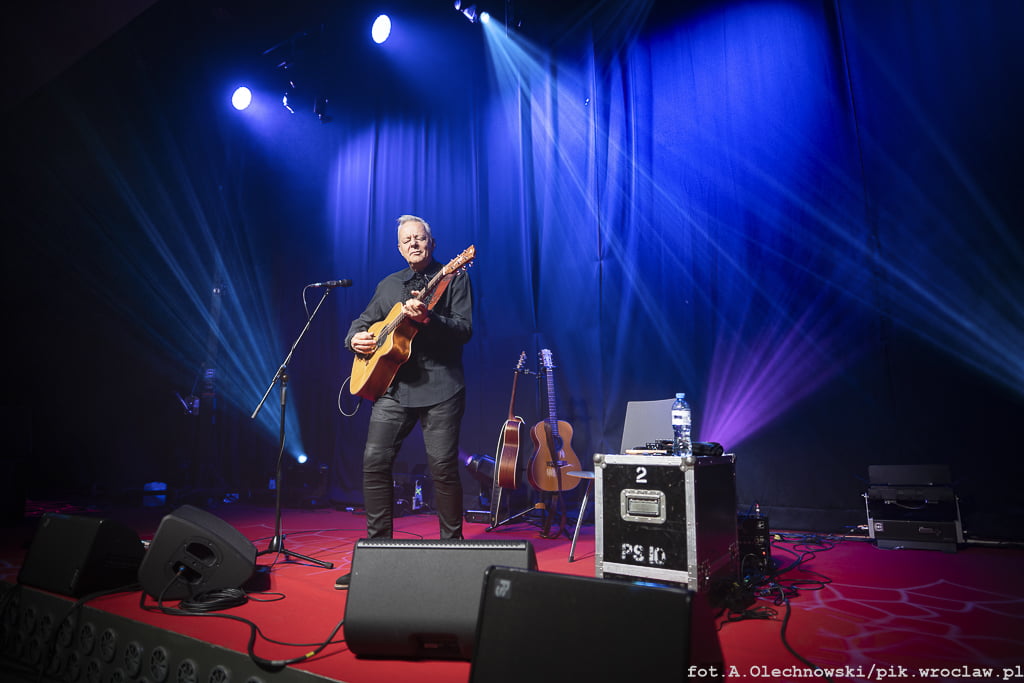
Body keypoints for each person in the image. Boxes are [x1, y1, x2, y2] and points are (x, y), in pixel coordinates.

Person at [336, 215, 473, 587]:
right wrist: (355, 339)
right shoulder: (388, 284)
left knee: (443, 468)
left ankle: (453, 557)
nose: (414, 243)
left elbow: (464, 330)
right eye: (407, 239)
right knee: (374, 463)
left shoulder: (453, 277)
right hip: (394, 388)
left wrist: (429, 319)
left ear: (432, 242)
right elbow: (362, 321)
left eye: (420, 237)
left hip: (442, 387)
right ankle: (378, 557)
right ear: (399, 248)